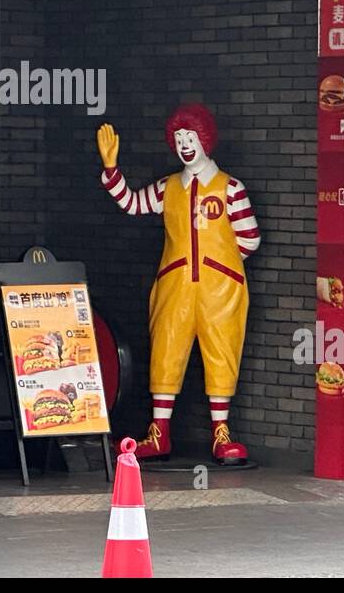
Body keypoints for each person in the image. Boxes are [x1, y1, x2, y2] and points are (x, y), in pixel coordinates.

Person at [96, 105, 260, 463]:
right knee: (166, 352)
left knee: (222, 352)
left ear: (206, 140)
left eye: (191, 137)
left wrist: (222, 269)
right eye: (179, 138)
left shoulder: (231, 188)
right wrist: (112, 170)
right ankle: (159, 433)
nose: (185, 144)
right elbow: (133, 204)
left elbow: (250, 239)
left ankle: (221, 432)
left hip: (219, 291)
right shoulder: (168, 187)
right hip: (175, 286)